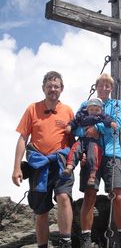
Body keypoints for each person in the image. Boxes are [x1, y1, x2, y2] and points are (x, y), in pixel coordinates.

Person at [12, 71, 75, 248]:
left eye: (56, 86)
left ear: (61, 89)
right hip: (38, 164)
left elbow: (73, 139)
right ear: (43, 88)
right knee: (41, 210)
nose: (52, 89)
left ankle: (65, 241)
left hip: (61, 163)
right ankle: (42, 246)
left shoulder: (68, 110)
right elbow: (23, 138)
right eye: (49, 86)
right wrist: (17, 167)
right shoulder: (32, 108)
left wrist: (79, 155)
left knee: (63, 196)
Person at [78, 73, 121, 248]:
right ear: (96, 87)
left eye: (107, 85)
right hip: (91, 153)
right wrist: (87, 132)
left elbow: (117, 123)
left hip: (111, 154)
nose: (104, 88)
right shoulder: (85, 105)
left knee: (117, 195)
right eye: (101, 85)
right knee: (89, 195)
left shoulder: (117, 105)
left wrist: (95, 127)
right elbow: (77, 128)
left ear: (112, 88)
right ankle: (86, 238)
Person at [64, 97, 117, 186]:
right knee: (75, 148)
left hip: (94, 140)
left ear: (101, 110)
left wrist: (111, 123)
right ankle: (69, 166)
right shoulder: (82, 115)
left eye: (97, 109)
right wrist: (70, 126)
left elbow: (107, 120)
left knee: (94, 154)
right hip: (82, 139)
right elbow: (75, 122)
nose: (94, 111)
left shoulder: (101, 116)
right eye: (91, 109)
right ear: (87, 109)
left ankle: (92, 175)